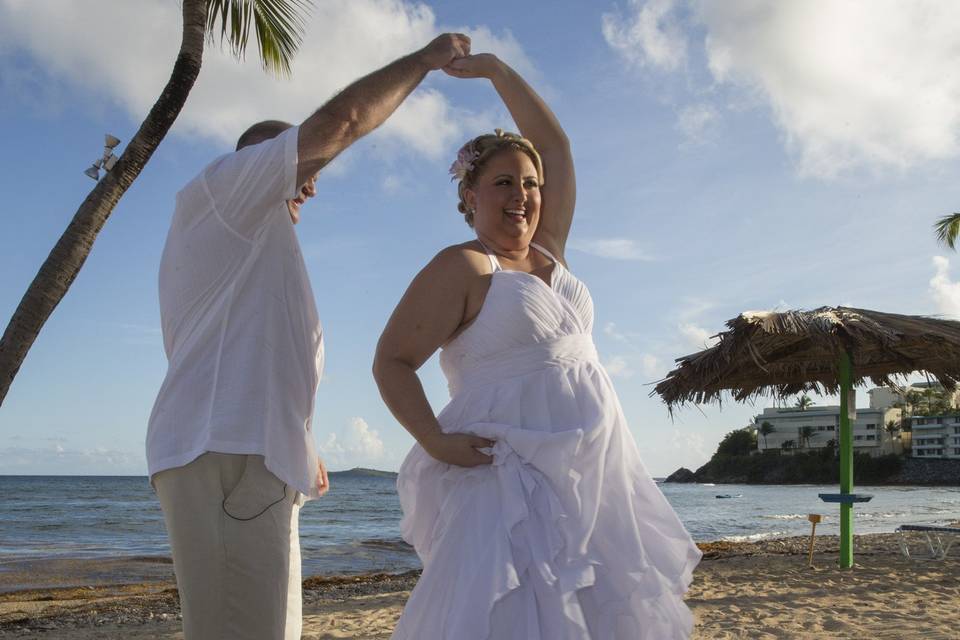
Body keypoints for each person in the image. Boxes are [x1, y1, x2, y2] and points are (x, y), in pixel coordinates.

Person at [146, 33, 472, 640]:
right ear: (259, 161)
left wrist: (302, 437)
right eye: (304, 165)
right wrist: (424, 61)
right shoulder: (224, 190)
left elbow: (251, 349)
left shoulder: (249, 244)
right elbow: (343, 122)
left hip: (252, 454)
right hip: (226, 451)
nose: (315, 183)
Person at [373, 53, 702, 639]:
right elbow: (392, 362)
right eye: (503, 182)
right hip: (507, 479)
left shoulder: (551, 249)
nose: (521, 194)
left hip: (593, 472)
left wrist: (497, 70)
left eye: (530, 183)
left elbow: (556, 144)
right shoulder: (466, 266)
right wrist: (436, 441)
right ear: (469, 195)